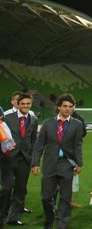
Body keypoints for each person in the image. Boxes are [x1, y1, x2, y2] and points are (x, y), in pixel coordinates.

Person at [31, 94, 84, 229]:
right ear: (59, 107)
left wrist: (79, 163)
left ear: (73, 108)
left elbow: (78, 145)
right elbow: (39, 145)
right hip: (50, 164)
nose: (67, 109)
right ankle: (49, 218)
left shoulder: (77, 125)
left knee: (66, 198)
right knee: (46, 197)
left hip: (67, 164)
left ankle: (62, 224)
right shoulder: (48, 123)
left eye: (70, 107)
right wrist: (35, 163)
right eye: (65, 106)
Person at [0, 93, 37, 226]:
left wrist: (31, 157)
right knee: (7, 187)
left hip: (24, 160)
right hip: (8, 158)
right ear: (18, 104)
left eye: (28, 104)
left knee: (20, 189)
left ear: (30, 104)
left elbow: (33, 140)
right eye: (23, 104)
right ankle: (1, 214)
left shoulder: (33, 119)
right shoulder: (7, 118)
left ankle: (13, 218)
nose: (25, 106)